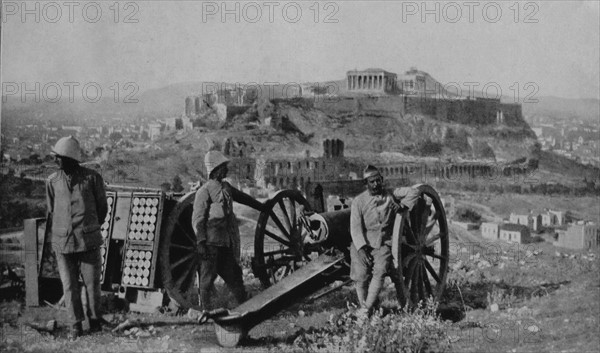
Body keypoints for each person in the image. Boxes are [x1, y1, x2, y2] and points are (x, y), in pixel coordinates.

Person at [45, 136, 108, 339]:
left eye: (60, 157)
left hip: (88, 241)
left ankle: (95, 321)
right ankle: (75, 325)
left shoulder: (92, 178)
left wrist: (89, 228)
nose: (56, 161)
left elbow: (102, 208)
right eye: (56, 157)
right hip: (63, 243)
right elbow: (51, 210)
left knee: (92, 284)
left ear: (71, 158)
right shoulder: (52, 182)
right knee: (69, 285)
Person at [191, 150, 262, 312]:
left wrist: (262, 206)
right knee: (207, 278)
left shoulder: (226, 188)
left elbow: (244, 198)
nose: (226, 169)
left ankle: (244, 306)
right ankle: (206, 310)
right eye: (223, 167)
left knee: (235, 275)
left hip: (226, 242)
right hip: (210, 243)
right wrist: (201, 242)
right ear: (215, 170)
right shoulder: (204, 191)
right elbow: (198, 219)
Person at [349, 165, 420, 316]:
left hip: (383, 244)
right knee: (360, 275)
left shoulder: (391, 195)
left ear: (382, 180)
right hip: (362, 243)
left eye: (378, 181)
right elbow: (355, 228)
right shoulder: (358, 201)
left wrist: (402, 206)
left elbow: (415, 191)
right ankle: (364, 305)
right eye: (371, 182)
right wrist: (361, 249)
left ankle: (365, 309)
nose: (375, 184)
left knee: (380, 270)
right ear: (366, 184)